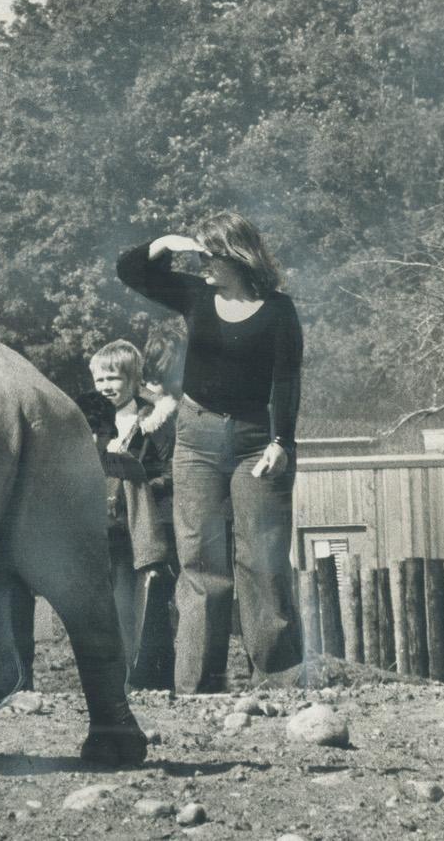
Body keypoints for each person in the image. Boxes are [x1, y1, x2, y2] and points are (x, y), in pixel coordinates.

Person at [118, 211, 305, 692]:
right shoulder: (196, 295)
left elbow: (286, 380)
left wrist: (281, 441)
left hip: (255, 444)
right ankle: (198, 685)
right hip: (196, 438)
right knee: (201, 559)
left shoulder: (279, 311)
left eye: (208, 255)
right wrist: (168, 241)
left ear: (236, 256)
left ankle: (280, 680)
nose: (199, 262)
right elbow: (130, 270)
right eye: (196, 254)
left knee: (262, 558)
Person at [89, 340, 177, 691]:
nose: (106, 387)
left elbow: (173, 471)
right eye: (100, 380)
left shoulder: (153, 421)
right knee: (105, 605)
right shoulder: (88, 421)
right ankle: (111, 678)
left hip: (142, 523)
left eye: (114, 379)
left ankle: (149, 680)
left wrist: (140, 485)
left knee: (143, 601)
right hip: (102, 525)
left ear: (133, 379)